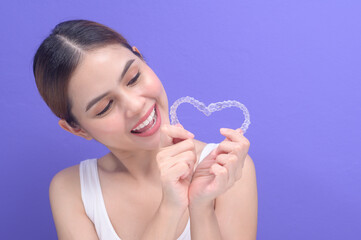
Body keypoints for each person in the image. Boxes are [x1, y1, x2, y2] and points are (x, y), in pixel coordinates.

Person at [33, 19, 258, 240]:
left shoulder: (226, 168)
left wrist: (202, 208)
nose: (135, 106)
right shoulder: (72, 190)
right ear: (77, 129)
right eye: (105, 107)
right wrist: (170, 208)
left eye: (134, 78)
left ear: (141, 58)